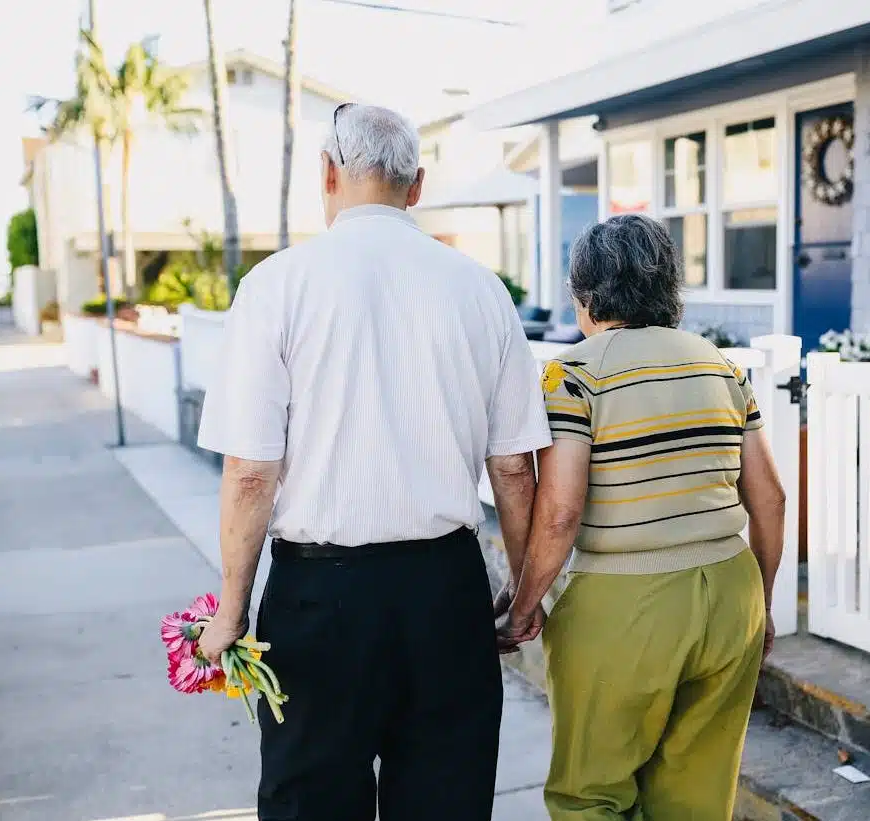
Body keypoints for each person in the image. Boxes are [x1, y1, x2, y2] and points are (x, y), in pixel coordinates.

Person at [195, 104, 551, 821]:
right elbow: (514, 468)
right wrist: (521, 593)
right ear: (416, 186)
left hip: (317, 599)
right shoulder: (482, 290)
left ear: (328, 173)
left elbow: (251, 472)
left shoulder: (275, 286)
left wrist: (230, 608)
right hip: (445, 593)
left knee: (312, 804)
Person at [498, 214, 787, 821]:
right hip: (732, 591)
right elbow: (771, 499)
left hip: (626, 603)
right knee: (696, 802)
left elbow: (559, 513)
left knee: (591, 796)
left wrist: (525, 606)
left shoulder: (573, 373)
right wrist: (761, 604)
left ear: (585, 295)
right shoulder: (722, 366)